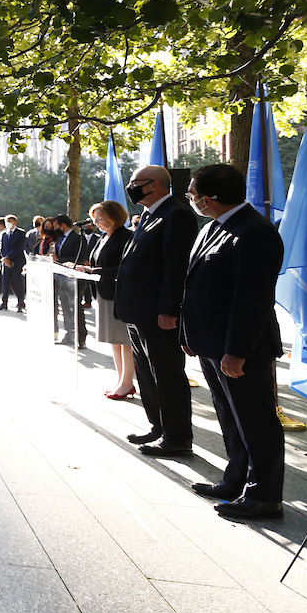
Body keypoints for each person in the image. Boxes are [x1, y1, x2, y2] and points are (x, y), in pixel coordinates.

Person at [182, 165, 285, 519]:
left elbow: (252, 300)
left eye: (192, 194)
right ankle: (236, 479)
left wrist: (236, 351)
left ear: (207, 199)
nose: (191, 200)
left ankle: (264, 496)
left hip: (241, 348)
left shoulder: (255, 232)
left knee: (256, 421)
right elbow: (196, 285)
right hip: (212, 343)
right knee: (231, 417)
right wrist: (189, 334)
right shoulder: (213, 227)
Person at [116, 165, 199, 456]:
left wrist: (169, 308)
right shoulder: (151, 215)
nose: (131, 186)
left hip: (158, 312)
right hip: (138, 310)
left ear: (156, 185)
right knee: (146, 373)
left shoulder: (176, 215)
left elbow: (175, 268)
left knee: (166, 373)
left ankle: (177, 437)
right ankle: (158, 426)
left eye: (136, 182)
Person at [72, 202, 134, 398]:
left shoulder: (126, 237)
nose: (95, 222)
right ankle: (120, 380)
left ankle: (127, 382)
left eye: (100, 218)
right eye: (94, 218)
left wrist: (93, 271)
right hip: (104, 293)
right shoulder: (103, 238)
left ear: (114, 216)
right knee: (114, 341)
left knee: (124, 341)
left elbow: (125, 269)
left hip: (119, 295)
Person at [52, 214, 88, 347]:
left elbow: (80, 258)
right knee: (65, 308)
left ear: (63, 225)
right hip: (61, 279)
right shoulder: (60, 239)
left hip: (74, 279)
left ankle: (81, 337)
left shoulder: (78, 238)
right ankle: (69, 334)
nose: (55, 229)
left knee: (76, 308)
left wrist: (59, 260)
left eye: (56, 226)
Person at [0, 214, 27, 312]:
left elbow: (19, 247)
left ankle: (21, 303)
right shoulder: (4, 234)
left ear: (15, 222)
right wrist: (4, 258)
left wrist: (8, 257)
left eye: (10, 221)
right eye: (6, 221)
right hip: (6, 263)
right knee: (5, 283)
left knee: (18, 283)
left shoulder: (21, 233)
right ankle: (4, 303)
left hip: (17, 261)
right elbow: (1, 247)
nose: (8, 223)